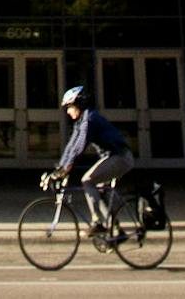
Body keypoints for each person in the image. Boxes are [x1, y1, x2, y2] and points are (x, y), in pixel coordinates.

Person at [54, 84, 133, 243]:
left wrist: (66, 168)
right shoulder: (82, 121)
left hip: (120, 157)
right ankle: (116, 229)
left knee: (87, 180)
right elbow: (71, 146)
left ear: (78, 104)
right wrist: (60, 167)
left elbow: (79, 146)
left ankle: (98, 223)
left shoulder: (90, 119)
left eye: (69, 107)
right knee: (98, 189)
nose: (68, 112)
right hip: (112, 157)